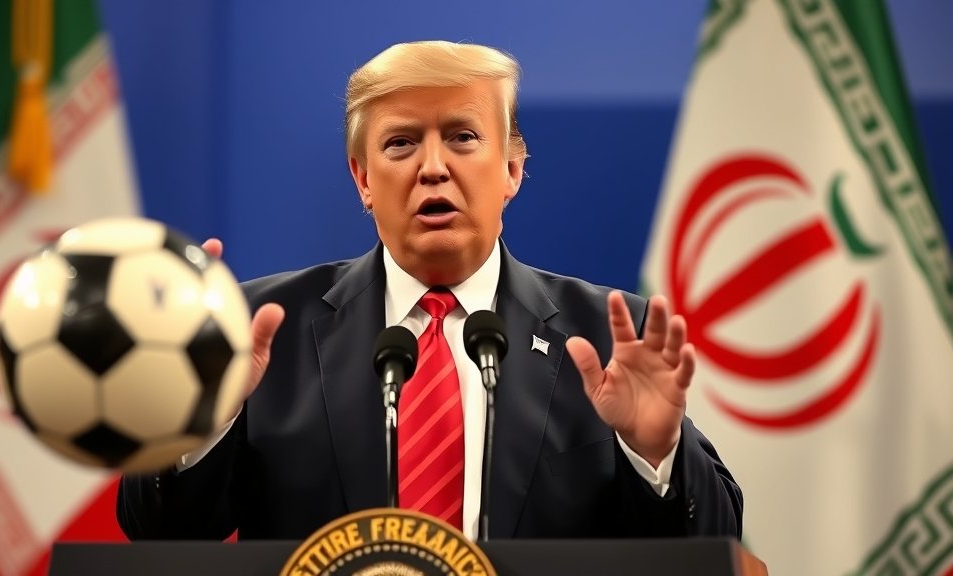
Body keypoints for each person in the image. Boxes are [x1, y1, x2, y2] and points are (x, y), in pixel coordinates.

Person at [117, 40, 742, 541]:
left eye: (464, 137)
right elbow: (158, 531)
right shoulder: (258, 330)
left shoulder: (606, 334)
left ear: (512, 170)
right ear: (363, 179)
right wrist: (200, 419)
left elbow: (719, 539)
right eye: (401, 143)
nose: (433, 166)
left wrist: (656, 451)